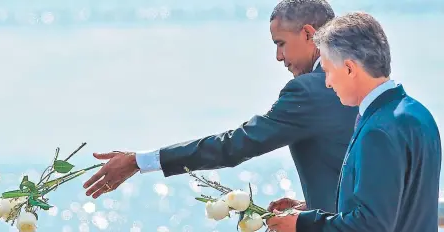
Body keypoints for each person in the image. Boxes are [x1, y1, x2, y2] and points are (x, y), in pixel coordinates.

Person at [83, 0, 359, 213]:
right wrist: (313, 208)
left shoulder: (308, 89)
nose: (278, 57)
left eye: (281, 44)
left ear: (309, 34)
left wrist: (139, 161)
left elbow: (235, 145)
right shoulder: (364, 79)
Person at [266, 11, 442, 232]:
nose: (328, 83)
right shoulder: (419, 114)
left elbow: (370, 226)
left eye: (328, 71)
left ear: (349, 69)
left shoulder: (378, 131)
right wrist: (310, 212)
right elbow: (396, 206)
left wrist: (302, 225)